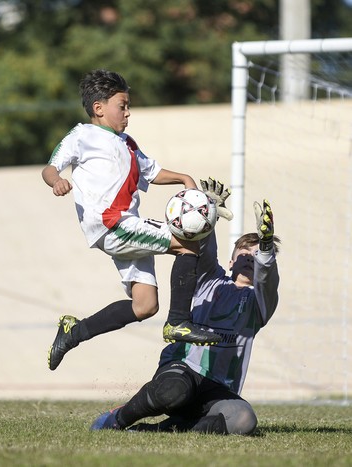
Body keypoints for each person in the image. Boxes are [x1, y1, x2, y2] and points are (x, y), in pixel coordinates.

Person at [43, 69, 229, 371]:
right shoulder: (82, 136)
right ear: (99, 108)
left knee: (145, 306)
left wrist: (185, 178)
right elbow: (51, 167)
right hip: (113, 224)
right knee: (187, 244)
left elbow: (152, 172)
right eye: (123, 105)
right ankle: (179, 322)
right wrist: (56, 181)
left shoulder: (127, 143)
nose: (128, 112)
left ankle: (73, 333)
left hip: (126, 226)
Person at [90, 198, 279, 435]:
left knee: (244, 419)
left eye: (255, 255)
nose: (250, 258)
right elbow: (204, 251)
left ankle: (161, 430)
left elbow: (268, 279)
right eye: (244, 253)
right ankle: (117, 418)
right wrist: (209, 215)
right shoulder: (210, 279)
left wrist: (266, 247)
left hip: (217, 389)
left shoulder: (259, 303)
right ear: (231, 262)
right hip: (182, 369)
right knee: (174, 392)